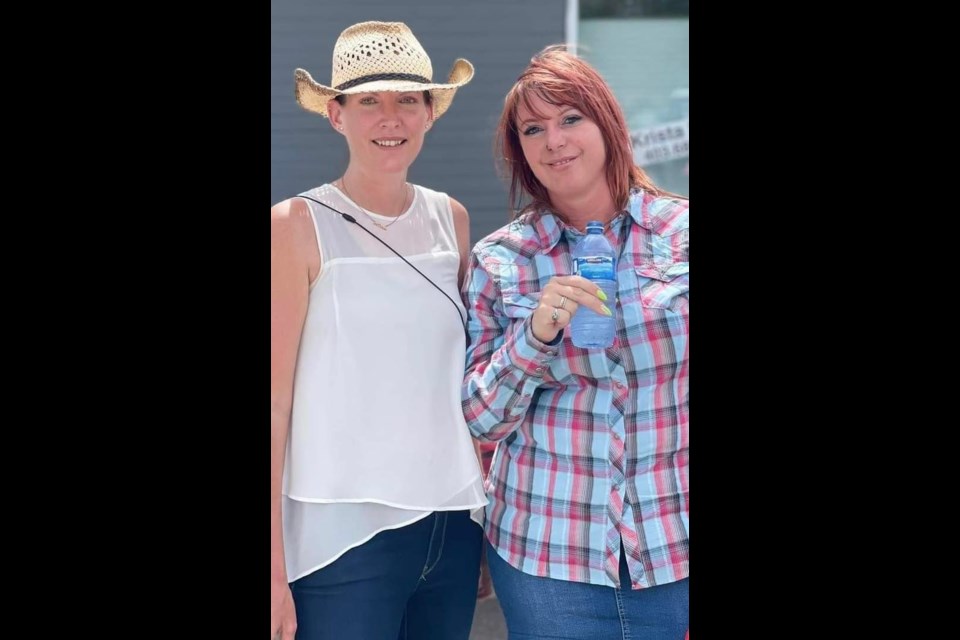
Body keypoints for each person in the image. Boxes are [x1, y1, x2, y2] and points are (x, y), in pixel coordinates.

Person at [461, 45, 689, 639]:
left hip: (676, 549)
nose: (554, 140)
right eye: (533, 129)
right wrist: (535, 335)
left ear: (607, 124)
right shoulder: (501, 259)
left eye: (570, 118)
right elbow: (481, 420)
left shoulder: (681, 237)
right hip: (547, 557)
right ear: (521, 152)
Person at [271, 21, 487, 640]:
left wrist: (480, 514)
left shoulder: (453, 219)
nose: (389, 117)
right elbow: (275, 402)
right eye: (369, 100)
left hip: (452, 525)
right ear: (336, 114)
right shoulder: (296, 224)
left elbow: (458, 380)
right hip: (340, 538)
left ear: (430, 114)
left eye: (407, 100)